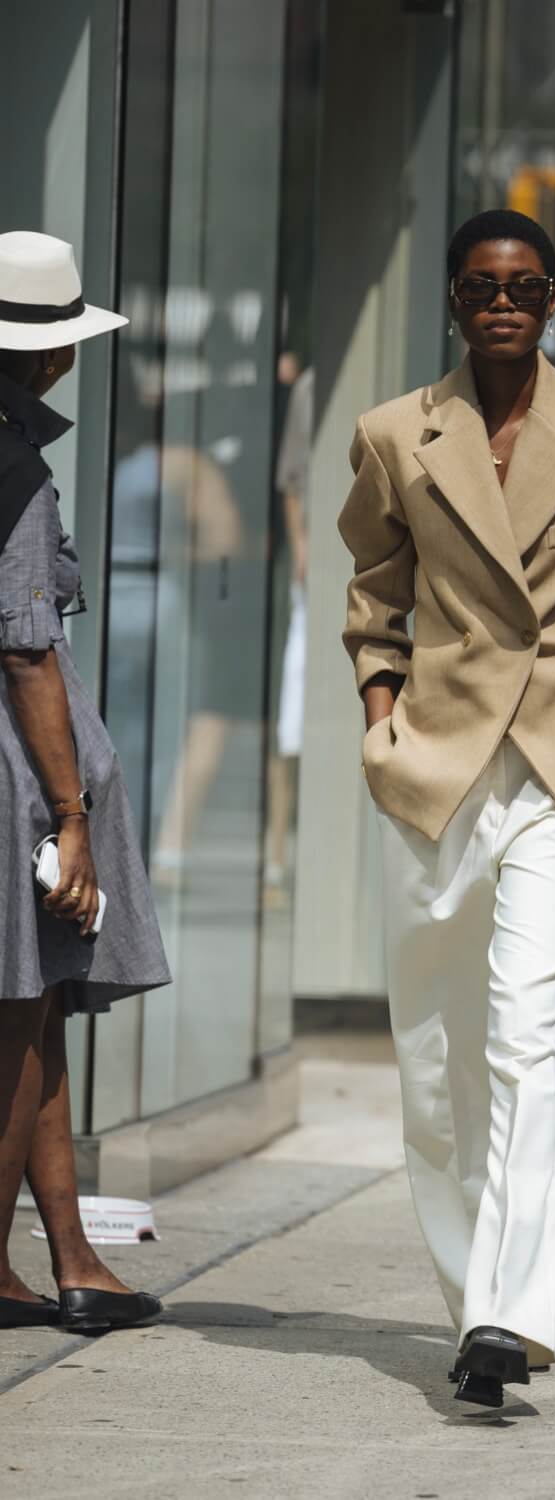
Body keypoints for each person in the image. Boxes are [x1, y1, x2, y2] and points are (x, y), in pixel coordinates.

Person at [338, 209, 555, 1408]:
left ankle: (505, 1317)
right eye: (482, 286)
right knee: (434, 1061)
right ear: (450, 299)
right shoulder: (393, 434)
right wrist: (381, 717)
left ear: (550, 303)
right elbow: (374, 590)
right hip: (434, 762)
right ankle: (469, 1288)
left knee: (524, 1029)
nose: (503, 304)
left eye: (526, 287)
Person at [0, 231, 170, 1334]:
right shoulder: (12, 462)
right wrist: (71, 815)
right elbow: (25, 650)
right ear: (55, 352)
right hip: (17, 772)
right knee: (17, 1016)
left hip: (25, 762)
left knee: (40, 1001)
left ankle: (70, 1257)